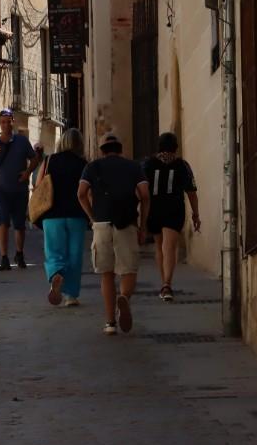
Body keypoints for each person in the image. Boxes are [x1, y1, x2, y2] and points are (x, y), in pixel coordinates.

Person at [78, 132, 151, 335]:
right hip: (126, 224)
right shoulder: (134, 167)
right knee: (129, 270)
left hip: (101, 224)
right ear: (121, 150)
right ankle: (125, 298)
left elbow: (81, 194)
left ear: (102, 152)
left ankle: (110, 323)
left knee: (106, 274)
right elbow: (144, 195)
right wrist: (143, 225)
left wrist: (92, 217)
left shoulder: (92, 167)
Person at [143, 132, 201, 302]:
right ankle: (167, 284)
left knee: (159, 246)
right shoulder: (182, 165)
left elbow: (141, 189)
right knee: (170, 247)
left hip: (154, 209)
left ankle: (164, 283)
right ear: (176, 147)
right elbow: (191, 192)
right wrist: (195, 214)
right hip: (174, 209)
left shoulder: (147, 164)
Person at [39, 128, 91, 308]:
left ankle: (56, 274)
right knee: (75, 254)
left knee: (54, 250)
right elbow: (88, 191)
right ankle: (71, 296)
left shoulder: (49, 161)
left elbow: (39, 185)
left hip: (52, 214)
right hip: (77, 214)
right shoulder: (84, 164)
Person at [0, 109, 39, 271]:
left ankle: (19, 254)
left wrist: (28, 172)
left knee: (20, 225)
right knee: (2, 223)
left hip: (20, 190)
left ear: (13, 121)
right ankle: (4, 257)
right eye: (3, 122)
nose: (6, 124)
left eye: (9, 121)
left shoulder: (22, 141)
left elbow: (34, 159)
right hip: (1, 191)